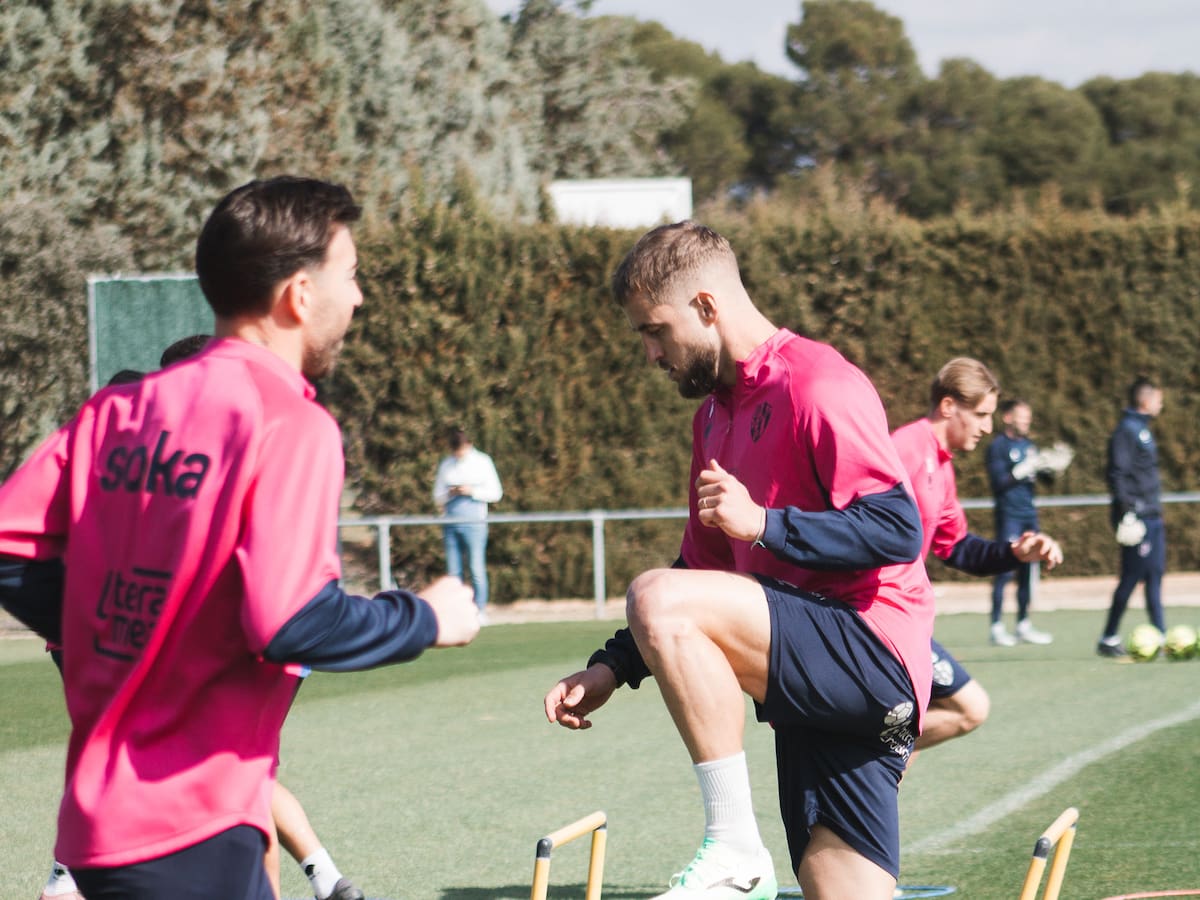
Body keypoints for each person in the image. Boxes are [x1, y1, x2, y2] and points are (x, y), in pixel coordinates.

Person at [0, 176, 480, 900]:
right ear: (299, 295)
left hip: (96, 833)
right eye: (350, 275)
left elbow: (12, 549)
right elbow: (289, 622)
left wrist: (132, 630)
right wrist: (426, 617)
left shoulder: (116, 410)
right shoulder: (290, 422)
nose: (358, 298)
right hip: (192, 826)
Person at [543, 222, 935, 900]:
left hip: (869, 653)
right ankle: (740, 855)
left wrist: (764, 525)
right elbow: (699, 573)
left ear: (706, 306)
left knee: (653, 595)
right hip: (812, 694)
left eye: (655, 331)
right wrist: (613, 667)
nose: (650, 354)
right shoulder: (713, 419)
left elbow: (899, 529)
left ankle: (732, 845)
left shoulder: (817, 382)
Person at [891, 361, 1064, 758]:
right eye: (982, 415)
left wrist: (1015, 553)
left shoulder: (942, 465)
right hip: (878, 620)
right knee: (960, 710)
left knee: (910, 728)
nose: (987, 427)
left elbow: (958, 548)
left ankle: (870, 778)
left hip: (906, 620)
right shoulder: (904, 449)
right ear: (948, 406)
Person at [984, 399, 1071, 646]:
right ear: (1008, 418)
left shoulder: (1029, 446)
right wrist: (1020, 470)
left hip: (1028, 516)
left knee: (1028, 571)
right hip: (1009, 516)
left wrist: (1052, 468)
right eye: (1021, 417)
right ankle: (996, 626)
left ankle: (1023, 624)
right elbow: (998, 483)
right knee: (1004, 570)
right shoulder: (998, 446)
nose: (1026, 422)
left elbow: (1044, 482)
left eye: (1028, 418)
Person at [1098, 377, 1166, 658]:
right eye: (1159, 400)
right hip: (1137, 516)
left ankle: (1161, 635)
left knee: (1154, 575)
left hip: (1152, 514)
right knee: (1132, 576)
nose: (1161, 405)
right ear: (1146, 401)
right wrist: (1127, 512)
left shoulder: (1143, 429)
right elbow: (1117, 473)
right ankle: (1108, 636)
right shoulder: (1126, 430)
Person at [432, 427, 503, 622]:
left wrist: (472, 491)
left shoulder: (482, 462)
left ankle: (479, 610)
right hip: (451, 522)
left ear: (469, 445)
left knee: (476, 568)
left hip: (475, 522)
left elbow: (496, 493)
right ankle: (457, 612)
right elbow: (437, 495)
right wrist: (450, 493)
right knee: (454, 572)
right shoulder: (447, 464)